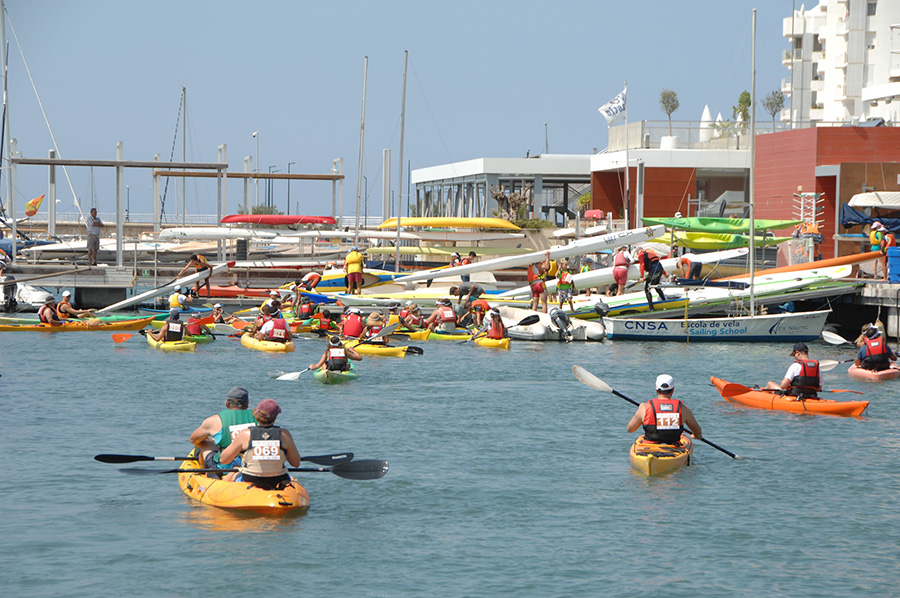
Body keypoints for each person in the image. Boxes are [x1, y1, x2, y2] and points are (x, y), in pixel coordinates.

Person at [220, 399, 301, 490]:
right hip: (278, 480)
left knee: (232, 474)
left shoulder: (245, 434)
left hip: (250, 479)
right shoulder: (284, 435)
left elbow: (224, 460)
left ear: (256, 415)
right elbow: (296, 463)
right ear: (275, 417)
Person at [188, 386, 257, 476]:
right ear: (247, 404)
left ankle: (207, 473)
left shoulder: (214, 420)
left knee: (205, 443)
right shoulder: (259, 419)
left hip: (225, 467)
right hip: (252, 465)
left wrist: (216, 443)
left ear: (226, 404)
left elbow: (194, 440)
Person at [626, 374, 702, 444]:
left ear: (656, 390)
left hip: (648, 449)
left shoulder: (645, 408)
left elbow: (630, 429)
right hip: (674, 449)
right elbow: (698, 432)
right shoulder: (683, 409)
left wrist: (641, 413)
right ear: (672, 390)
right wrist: (696, 436)